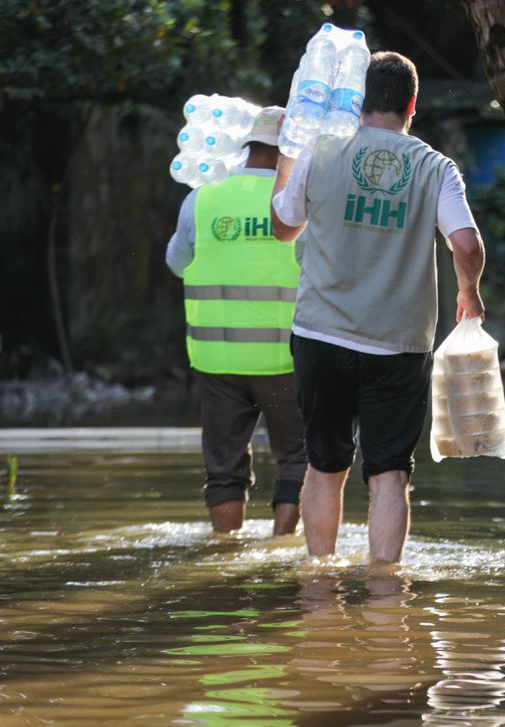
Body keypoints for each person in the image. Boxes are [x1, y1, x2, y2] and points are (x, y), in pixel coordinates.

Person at [270, 51, 486, 564]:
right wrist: (469, 292)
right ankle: (387, 595)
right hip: (399, 345)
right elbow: (468, 244)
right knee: (390, 471)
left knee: (324, 466)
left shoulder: (320, 152)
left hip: (321, 335)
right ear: (413, 104)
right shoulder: (436, 167)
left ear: (358, 102)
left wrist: (288, 153)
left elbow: (283, 228)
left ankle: (320, 584)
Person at [165, 106, 307, 536]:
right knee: (298, 456)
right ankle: (280, 547)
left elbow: (176, 262)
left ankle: (225, 552)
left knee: (223, 466)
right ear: (290, 150)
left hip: (217, 357)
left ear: (247, 146)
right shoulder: (300, 201)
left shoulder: (202, 196)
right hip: (286, 359)